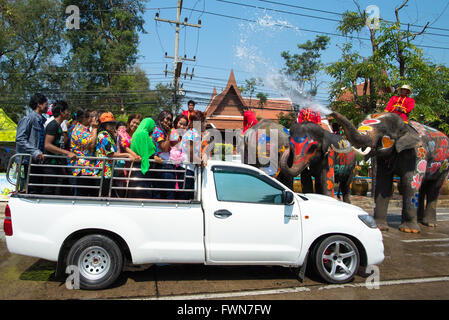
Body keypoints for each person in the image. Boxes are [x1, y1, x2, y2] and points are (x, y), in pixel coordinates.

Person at [95, 112, 138, 197]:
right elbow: (110, 154)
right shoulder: (103, 135)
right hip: (103, 172)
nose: (112, 126)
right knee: (104, 198)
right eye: (109, 124)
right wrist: (128, 155)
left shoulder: (109, 135)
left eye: (113, 123)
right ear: (103, 125)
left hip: (109, 172)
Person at [15, 93, 48, 193]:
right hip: (28, 161)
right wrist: (35, 152)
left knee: (38, 189)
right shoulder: (28, 119)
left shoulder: (41, 121)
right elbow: (20, 139)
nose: (47, 106)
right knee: (32, 190)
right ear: (39, 104)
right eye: (46, 103)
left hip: (38, 160)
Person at [42, 101, 77, 195]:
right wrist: (67, 153)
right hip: (50, 165)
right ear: (61, 111)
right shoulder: (53, 125)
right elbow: (47, 145)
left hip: (57, 165)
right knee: (49, 191)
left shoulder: (59, 126)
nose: (68, 113)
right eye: (66, 110)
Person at [130, 118, 163, 199]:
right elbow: (151, 149)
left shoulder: (135, 133)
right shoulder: (144, 134)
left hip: (135, 164)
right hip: (142, 166)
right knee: (143, 191)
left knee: (135, 189)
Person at [70, 109, 99, 196]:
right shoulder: (79, 130)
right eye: (90, 117)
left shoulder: (85, 130)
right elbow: (92, 144)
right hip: (83, 168)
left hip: (88, 168)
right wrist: (94, 128)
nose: (92, 119)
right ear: (83, 118)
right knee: (83, 195)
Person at [180, 110, 207, 200]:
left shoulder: (194, 133)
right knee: (186, 200)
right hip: (186, 171)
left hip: (189, 169)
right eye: (204, 121)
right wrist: (201, 162)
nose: (206, 124)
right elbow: (191, 156)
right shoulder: (192, 134)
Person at [153, 110, 176, 199]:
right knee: (168, 195)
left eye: (170, 120)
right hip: (163, 166)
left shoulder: (162, 130)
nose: (169, 122)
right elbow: (165, 148)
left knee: (163, 194)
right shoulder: (158, 130)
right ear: (161, 118)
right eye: (167, 119)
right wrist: (169, 133)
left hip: (164, 165)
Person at [170, 114, 188, 199]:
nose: (182, 126)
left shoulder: (181, 135)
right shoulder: (174, 133)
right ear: (176, 123)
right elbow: (177, 147)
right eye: (180, 123)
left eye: (184, 125)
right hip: (171, 164)